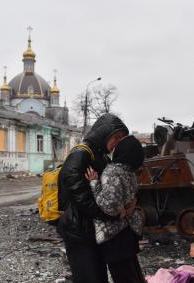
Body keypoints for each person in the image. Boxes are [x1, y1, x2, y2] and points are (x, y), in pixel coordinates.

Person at [57, 113, 132, 283]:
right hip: (78, 229)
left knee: (97, 275)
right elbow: (77, 190)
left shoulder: (101, 155)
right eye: (116, 138)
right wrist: (106, 212)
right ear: (104, 134)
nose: (117, 143)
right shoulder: (81, 154)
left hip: (90, 228)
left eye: (121, 139)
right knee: (87, 276)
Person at [86, 135, 146, 283]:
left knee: (124, 277)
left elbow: (109, 207)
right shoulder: (130, 172)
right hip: (128, 231)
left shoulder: (113, 171)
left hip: (114, 235)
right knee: (134, 274)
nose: (113, 148)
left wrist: (94, 183)